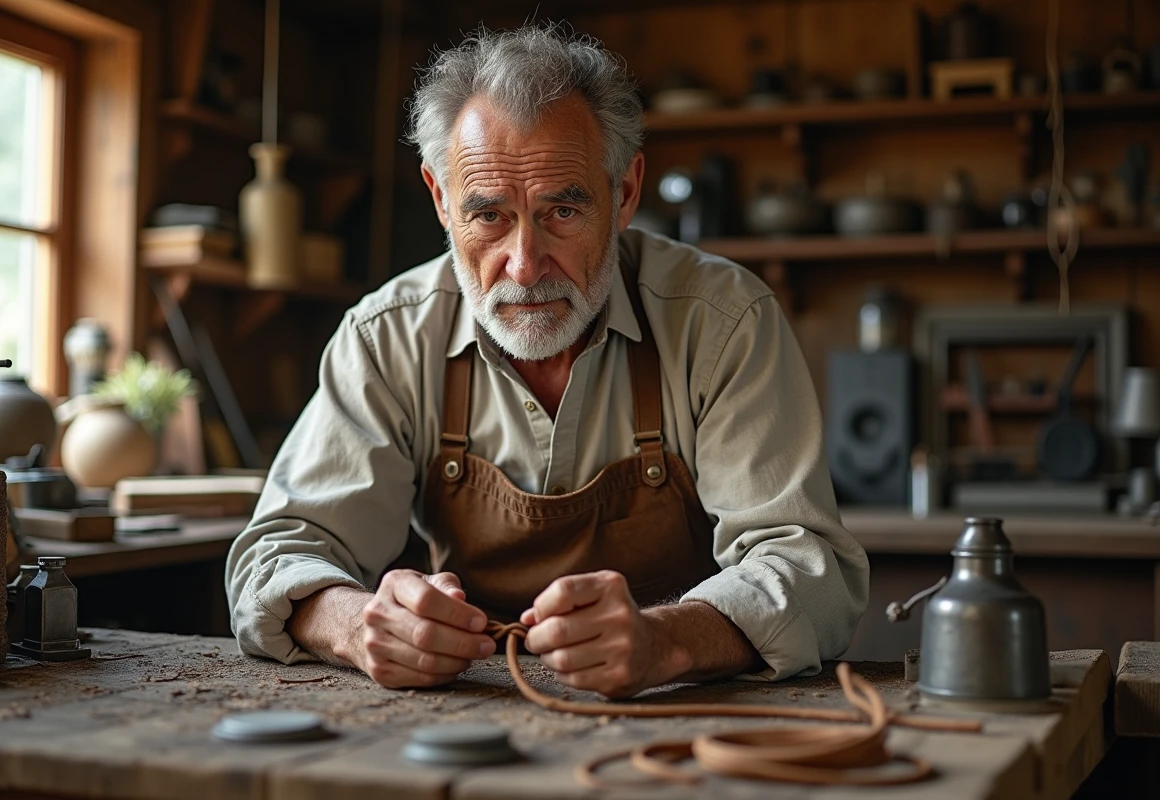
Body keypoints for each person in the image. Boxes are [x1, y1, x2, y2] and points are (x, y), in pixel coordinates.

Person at [226, 25, 869, 699]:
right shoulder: (388, 338)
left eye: (562, 210)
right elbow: (276, 553)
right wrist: (356, 624)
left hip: (675, 714)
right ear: (442, 200)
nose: (525, 265)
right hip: (459, 717)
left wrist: (668, 641)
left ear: (623, 194)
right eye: (490, 217)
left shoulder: (723, 321)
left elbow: (809, 566)